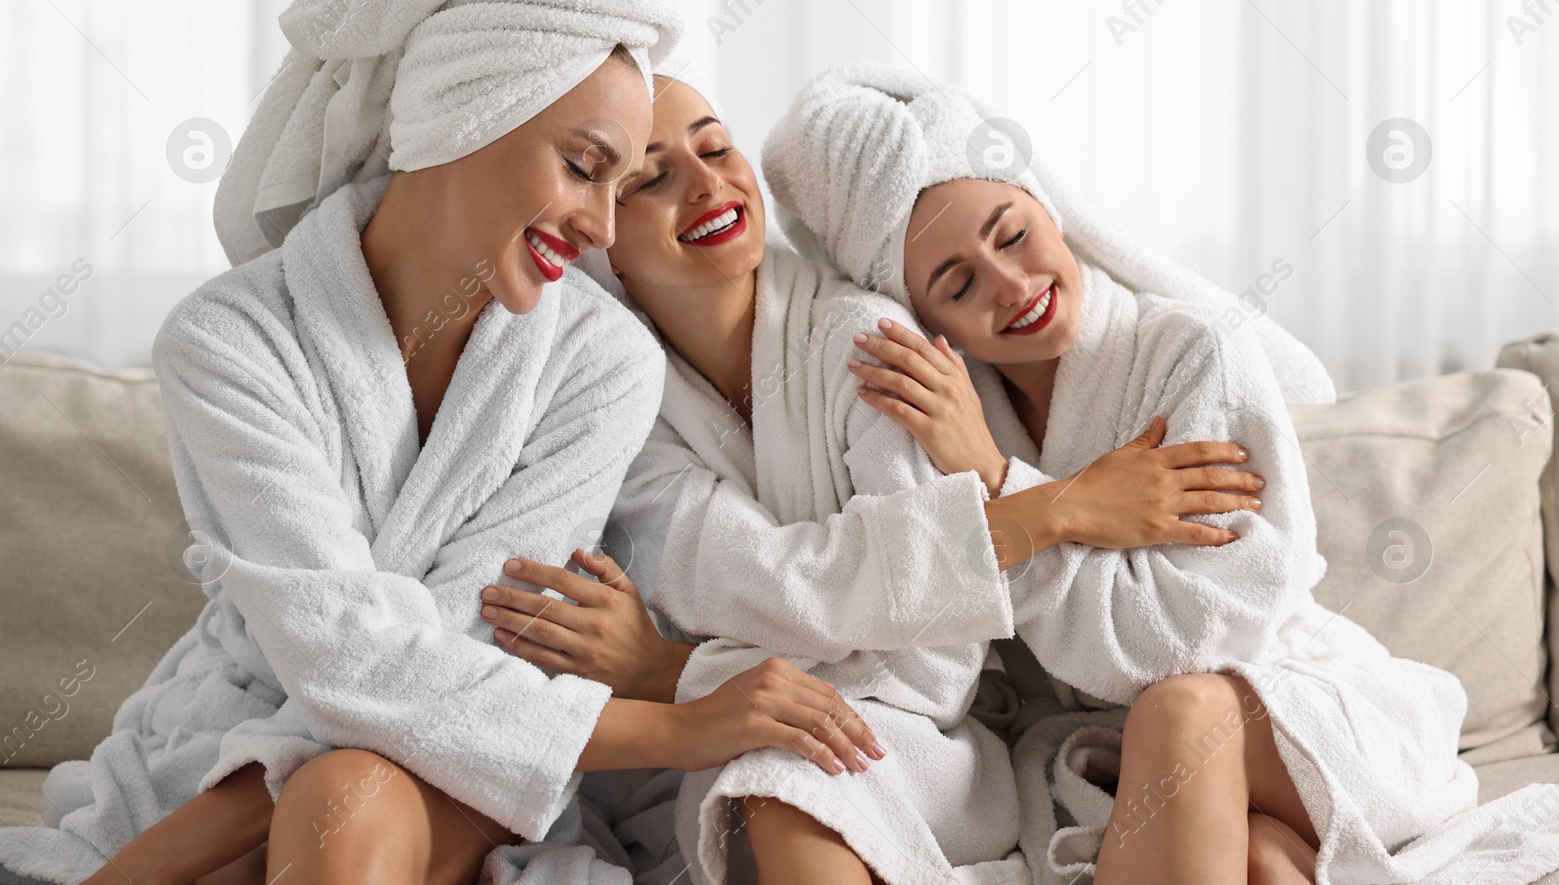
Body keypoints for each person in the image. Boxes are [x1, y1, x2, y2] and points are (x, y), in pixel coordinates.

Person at [0, 0, 874, 885]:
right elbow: (340, 656)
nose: (598, 227)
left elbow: (475, 634)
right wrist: (669, 729)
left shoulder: (598, 362)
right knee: (340, 788)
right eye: (587, 166)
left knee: (343, 795)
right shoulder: (229, 341)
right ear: (471, 111)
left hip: (471, 767)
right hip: (253, 743)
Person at [758, 61, 1559, 885]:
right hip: (1132, 758)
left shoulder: (1192, 354)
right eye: (957, 283)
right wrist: (1065, 505)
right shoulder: (948, 411)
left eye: (1012, 232)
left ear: (1044, 203)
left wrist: (1002, 483)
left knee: (1181, 707)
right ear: (926, 318)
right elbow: (932, 616)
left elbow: (1191, 639)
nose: (1013, 284)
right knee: (1261, 860)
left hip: (1306, 712)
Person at [478, 69, 1272, 885]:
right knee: (770, 772)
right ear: (601, 230)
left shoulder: (869, 343)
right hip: (727, 743)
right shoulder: (627, 404)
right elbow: (725, 576)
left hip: (918, 742)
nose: (709, 182)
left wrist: (683, 672)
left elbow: (930, 664)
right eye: (654, 177)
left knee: (789, 777)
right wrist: (1036, 516)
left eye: (716, 146)